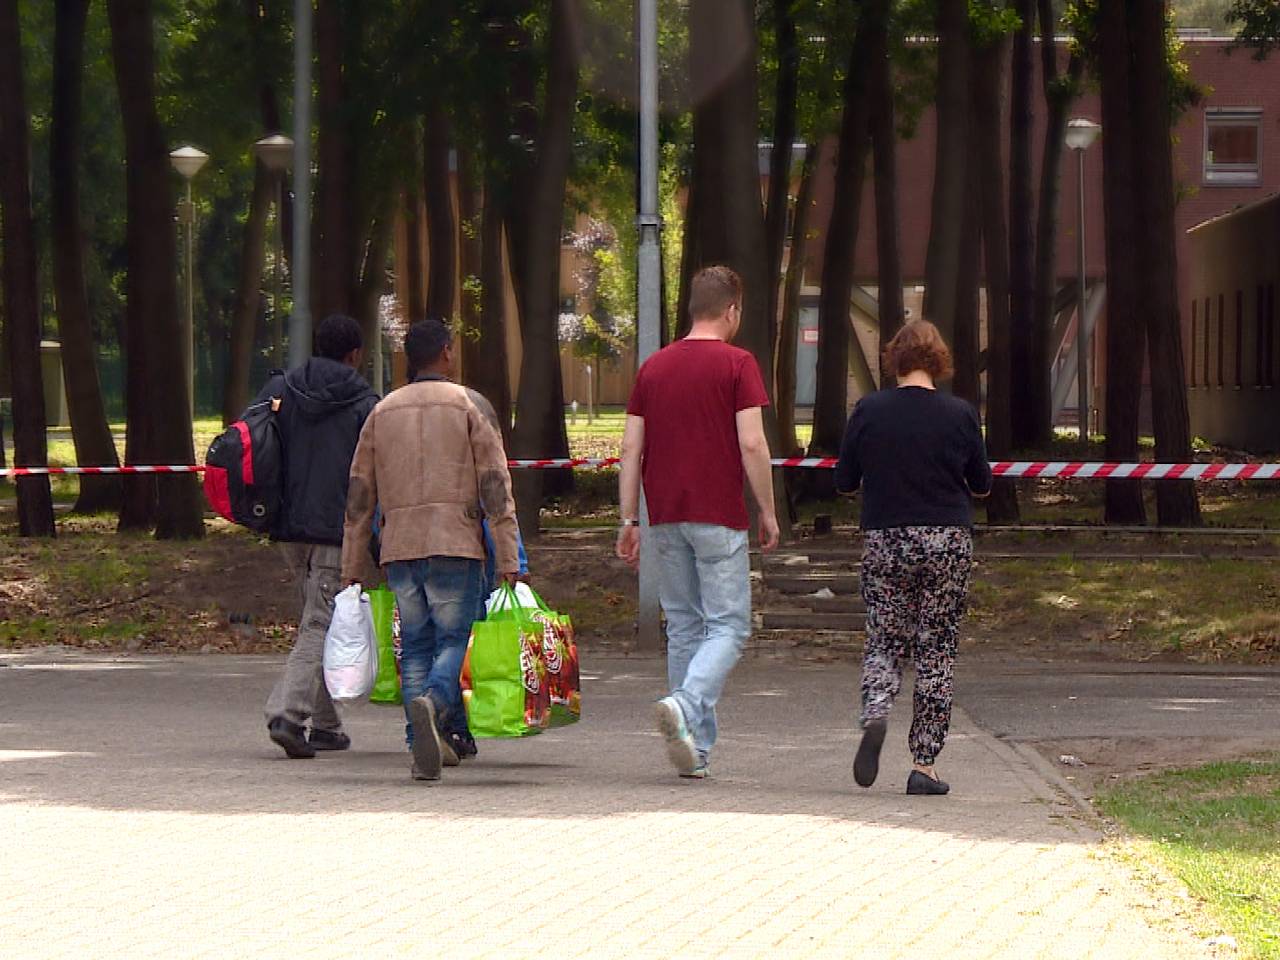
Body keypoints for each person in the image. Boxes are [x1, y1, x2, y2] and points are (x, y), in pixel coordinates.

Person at [617, 265, 780, 779]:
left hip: (664, 515)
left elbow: (629, 447)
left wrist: (628, 518)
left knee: (685, 626)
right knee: (728, 626)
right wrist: (768, 510)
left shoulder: (654, 368)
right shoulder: (738, 364)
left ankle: (695, 750)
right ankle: (686, 706)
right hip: (718, 514)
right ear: (732, 310)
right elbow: (752, 442)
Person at [342, 318, 519, 782]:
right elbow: (495, 486)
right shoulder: (467, 404)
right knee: (455, 636)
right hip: (454, 542)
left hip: (399, 546)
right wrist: (508, 555)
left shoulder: (382, 411)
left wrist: (352, 564)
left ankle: (419, 740)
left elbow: (360, 494)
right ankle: (435, 702)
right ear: (446, 352)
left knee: (415, 645)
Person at [834, 320, 992, 796]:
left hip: (886, 539)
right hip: (947, 540)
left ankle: (877, 711)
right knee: (936, 649)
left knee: (884, 640)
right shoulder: (960, 414)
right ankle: (924, 764)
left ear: (894, 360)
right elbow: (982, 483)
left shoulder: (869, 411)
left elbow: (844, 480)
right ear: (939, 361)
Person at [263, 314, 379, 759]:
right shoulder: (365, 403)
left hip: (289, 527)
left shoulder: (283, 389)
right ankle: (287, 714)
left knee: (316, 620)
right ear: (355, 355)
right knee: (319, 622)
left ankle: (327, 726)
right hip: (337, 529)